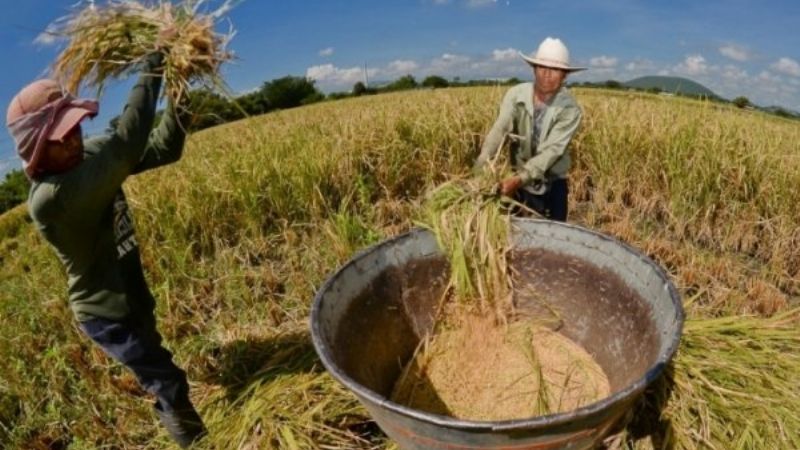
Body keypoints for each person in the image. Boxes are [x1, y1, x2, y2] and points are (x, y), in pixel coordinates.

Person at [6, 50, 205, 447]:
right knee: (168, 380)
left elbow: (164, 148)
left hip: (131, 292)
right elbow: (128, 145)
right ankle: (197, 441)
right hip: (105, 314)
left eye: (76, 126)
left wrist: (180, 95)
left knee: (155, 357)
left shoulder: (89, 153)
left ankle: (171, 416)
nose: (75, 139)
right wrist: (155, 63)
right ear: (37, 148)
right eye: (62, 137)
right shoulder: (51, 199)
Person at [474, 37, 586, 221]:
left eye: (555, 70)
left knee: (552, 235)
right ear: (534, 69)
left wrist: (518, 179)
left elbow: (551, 152)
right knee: (517, 232)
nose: (547, 74)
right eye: (542, 68)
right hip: (518, 178)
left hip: (552, 181)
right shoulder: (516, 95)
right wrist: (481, 165)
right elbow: (500, 129)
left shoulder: (569, 109)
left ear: (565, 75)